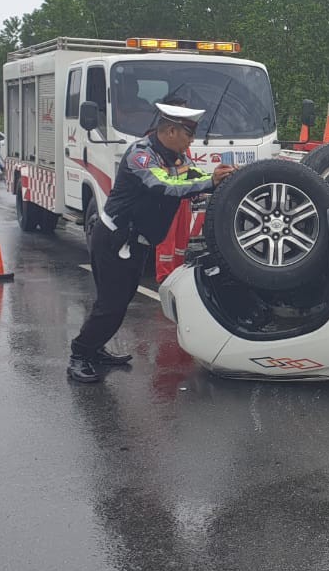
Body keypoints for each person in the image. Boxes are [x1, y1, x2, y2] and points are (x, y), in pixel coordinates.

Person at [68, 102, 235, 383]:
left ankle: (94, 349)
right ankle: (80, 355)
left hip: (137, 241)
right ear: (170, 131)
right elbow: (164, 186)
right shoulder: (141, 155)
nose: (192, 141)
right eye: (188, 134)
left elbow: (193, 177)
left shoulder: (176, 156)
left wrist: (219, 177)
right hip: (115, 239)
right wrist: (210, 183)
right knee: (110, 305)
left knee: (120, 302)